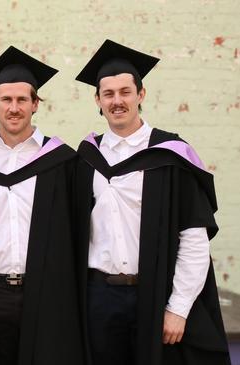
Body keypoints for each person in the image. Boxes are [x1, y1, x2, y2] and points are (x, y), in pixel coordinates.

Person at [74, 39, 231, 365]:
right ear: (98, 100)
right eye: (109, 94)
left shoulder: (171, 155)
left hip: (155, 294)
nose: (117, 101)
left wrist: (178, 308)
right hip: (99, 298)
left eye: (125, 92)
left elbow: (194, 239)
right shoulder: (87, 158)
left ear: (141, 95)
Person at [0, 46, 84, 365]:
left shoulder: (62, 162)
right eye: (7, 100)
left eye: (22, 99)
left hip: (46, 293)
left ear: (35, 104)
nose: (14, 108)